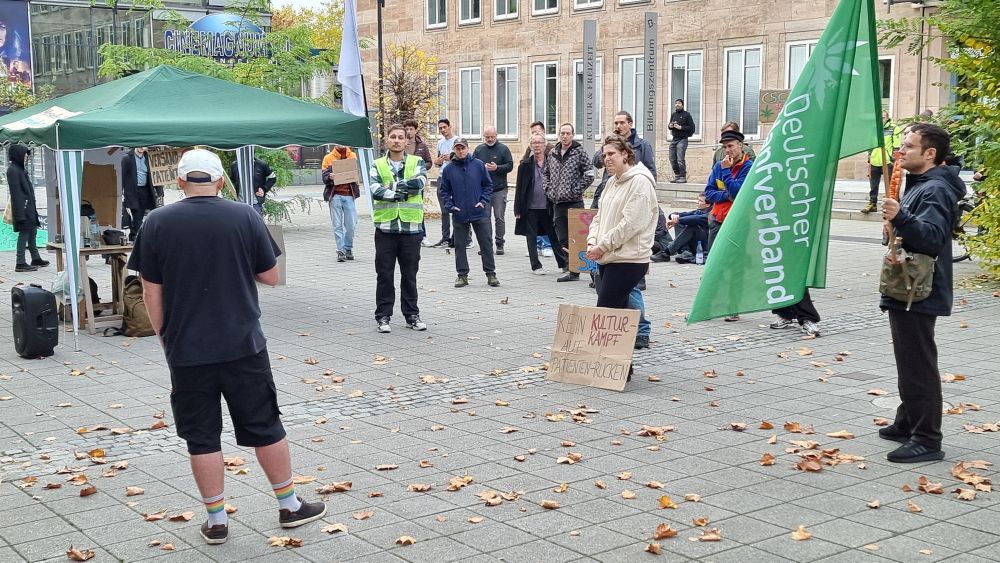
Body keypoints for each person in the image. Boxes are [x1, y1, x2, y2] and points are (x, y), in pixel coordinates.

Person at [127, 149, 326, 546]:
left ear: (180, 182)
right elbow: (271, 276)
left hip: (187, 349)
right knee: (265, 426)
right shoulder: (244, 215)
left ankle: (216, 520)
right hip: (243, 344)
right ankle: (289, 506)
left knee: (201, 437)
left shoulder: (157, 222)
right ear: (221, 181)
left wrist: (167, 338)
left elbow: (150, 290)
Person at [878, 123, 965, 463]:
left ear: (930, 153)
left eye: (909, 146)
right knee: (909, 359)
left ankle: (927, 439)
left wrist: (901, 216)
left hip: (919, 289)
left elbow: (931, 238)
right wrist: (894, 223)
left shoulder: (936, 189)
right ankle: (908, 422)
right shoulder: (921, 184)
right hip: (909, 286)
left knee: (918, 364)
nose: (901, 151)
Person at [586, 135, 657, 369]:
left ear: (625, 154)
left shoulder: (640, 182)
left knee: (607, 312)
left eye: (611, 154)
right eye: (604, 155)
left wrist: (603, 245)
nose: (606, 159)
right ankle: (621, 367)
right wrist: (592, 241)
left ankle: (615, 367)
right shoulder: (611, 182)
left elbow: (631, 224)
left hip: (629, 258)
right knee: (618, 313)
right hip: (608, 255)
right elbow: (599, 216)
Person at [369, 124, 429, 333]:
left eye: (400, 137)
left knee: (409, 275)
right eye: (393, 136)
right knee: (384, 275)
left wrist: (391, 187)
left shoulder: (417, 162)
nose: (396, 140)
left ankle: (411, 315)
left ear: (406, 141)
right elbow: (375, 190)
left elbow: (420, 183)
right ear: (387, 140)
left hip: (411, 229)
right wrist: (402, 191)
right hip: (385, 229)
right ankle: (383, 316)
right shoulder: (377, 164)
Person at [705, 129, 753, 321]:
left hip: (737, 222)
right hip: (718, 219)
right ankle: (707, 306)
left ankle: (733, 307)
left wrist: (726, 173)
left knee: (734, 267)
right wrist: (726, 195)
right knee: (712, 264)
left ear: (741, 146)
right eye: (724, 147)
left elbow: (738, 192)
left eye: (731, 146)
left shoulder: (748, 167)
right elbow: (708, 193)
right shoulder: (719, 165)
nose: (727, 151)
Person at [439, 137, 499, 288]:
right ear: (454, 150)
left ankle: (491, 274)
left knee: (486, 243)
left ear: (467, 148)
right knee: (460, 245)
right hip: (459, 212)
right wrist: (450, 205)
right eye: (458, 148)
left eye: (463, 148)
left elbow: (488, 185)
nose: (460, 151)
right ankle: (462, 275)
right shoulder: (448, 169)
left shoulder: (478, 165)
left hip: (479, 211)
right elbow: (444, 191)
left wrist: (483, 201)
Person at [545, 123, 595, 282]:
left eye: (568, 133)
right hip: (557, 203)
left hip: (574, 202)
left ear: (573, 135)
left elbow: (590, 174)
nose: (565, 136)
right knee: (563, 238)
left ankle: (590, 272)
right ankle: (571, 269)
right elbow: (546, 173)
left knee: (579, 238)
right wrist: (548, 189)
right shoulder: (552, 153)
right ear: (559, 135)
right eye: (562, 133)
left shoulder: (579, 152)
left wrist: (575, 190)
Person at [514, 133, 567, 275]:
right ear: (530, 146)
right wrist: (517, 208)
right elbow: (519, 188)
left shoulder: (553, 163)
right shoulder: (524, 165)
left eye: (539, 142)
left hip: (548, 206)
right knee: (531, 237)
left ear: (545, 145)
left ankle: (563, 263)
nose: (537, 145)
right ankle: (536, 266)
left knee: (554, 235)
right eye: (534, 143)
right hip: (530, 207)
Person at [592, 111, 656, 209]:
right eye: (616, 123)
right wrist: (609, 144)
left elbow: (651, 172)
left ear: (630, 124)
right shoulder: (610, 143)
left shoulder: (643, 145)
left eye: (622, 123)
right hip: (609, 189)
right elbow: (596, 162)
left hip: (630, 191)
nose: (618, 126)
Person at [7, 144, 48, 272]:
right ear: (18, 155)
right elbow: (16, 194)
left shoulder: (19, 169)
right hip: (23, 209)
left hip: (28, 207)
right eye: (24, 155)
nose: (26, 158)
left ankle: (35, 258)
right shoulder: (13, 170)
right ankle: (20, 262)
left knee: (32, 232)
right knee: (24, 233)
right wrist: (20, 214)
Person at [473, 126, 514, 255]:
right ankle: (486, 245)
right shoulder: (479, 149)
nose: (490, 139)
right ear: (483, 136)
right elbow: (472, 165)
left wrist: (497, 168)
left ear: (496, 136)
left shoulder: (503, 149)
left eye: (492, 137)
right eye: (487, 137)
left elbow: (510, 166)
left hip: (499, 189)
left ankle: (500, 243)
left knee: (499, 217)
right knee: (484, 218)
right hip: (484, 190)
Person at [321, 145, 360, 262]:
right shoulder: (328, 158)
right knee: (337, 225)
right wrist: (329, 177)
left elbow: (355, 174)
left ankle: (348, 247)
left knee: (351, 224)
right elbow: (324, 177)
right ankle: (341, 250)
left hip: (349, 195)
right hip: (335, 195)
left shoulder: (352, 155)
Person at [862, 110, 903, 214]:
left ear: (888, 118)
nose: (881, 119)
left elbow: (896, 146)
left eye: (883, 117)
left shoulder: (894, 128)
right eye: (880, 117)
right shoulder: (873, 129)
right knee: (873, 185)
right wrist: (869, 158)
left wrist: (894, 160)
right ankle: (872, 203)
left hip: (887, 161)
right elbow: (870, 145)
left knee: (890, 185)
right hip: (875, 160)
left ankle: (891, 205)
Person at [428, 118, 457, 248]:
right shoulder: (440, 143)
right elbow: (438, 162)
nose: (443, 130)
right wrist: (438, 161)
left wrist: (451, 158)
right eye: (440, 128)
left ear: (450, 126)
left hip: (455, 178)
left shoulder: (457, 140)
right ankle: (445, 238)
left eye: (445, 127)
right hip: (442, 178)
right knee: (444, 210)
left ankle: (459, 237)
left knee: (457, 208)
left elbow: (464, 158)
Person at [122, 147, 161, 241]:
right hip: (132, 192)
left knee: (147, 213)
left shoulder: (149, 158)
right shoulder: (127, 158)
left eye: (144, 146)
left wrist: (159, 190)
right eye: (140, 146)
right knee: (136, 214)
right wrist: (121, 192)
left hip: (146, 191)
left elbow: (155, 174)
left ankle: (137, 235)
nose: (141, 148)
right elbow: (122, 176)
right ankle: (138, 237)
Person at [658, 195, 710, 263]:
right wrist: (674, 215)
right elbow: (683, 214)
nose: (697, 202)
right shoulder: (698, 211)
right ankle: (684, 251)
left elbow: (697, 219)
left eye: (700, 201)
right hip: (696, 243)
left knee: (692, 227)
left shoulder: (711, 213)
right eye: (698, 200)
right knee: (680, 222)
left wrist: (678, 220)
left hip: (705, 245)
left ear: (708, 205)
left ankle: (667, 252)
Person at [668, 99, 696, 183]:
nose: (677, 104)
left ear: (682, 105)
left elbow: (692, 128)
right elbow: (669, 125)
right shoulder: (673, 114)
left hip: (683, 139)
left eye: (679, 103)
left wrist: (681, 127)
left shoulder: (687, 115)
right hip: (674, 138)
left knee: (680, 158)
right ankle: (677, 176)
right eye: (676, 103)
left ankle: (682, 176)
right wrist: (670, 126)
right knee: (672, 158)